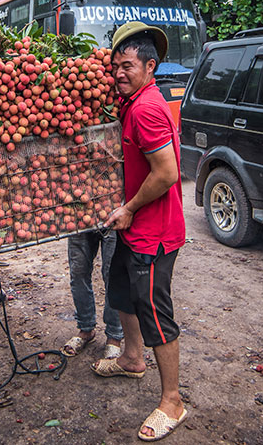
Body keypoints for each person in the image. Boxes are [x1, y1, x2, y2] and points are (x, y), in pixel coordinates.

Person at [95, 22, 187, 441]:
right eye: (115, 66)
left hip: (154, 231)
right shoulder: (133, 101)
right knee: (120, 293)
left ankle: (172, 402)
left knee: (155, 312)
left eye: (127, 66)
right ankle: (133, 358)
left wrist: (129, 208)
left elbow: (167, 173)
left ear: (150, 66)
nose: (118, 73)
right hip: (134, 227)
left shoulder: (148, 108)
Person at [61, 230, 124, 360]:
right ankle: (86, 329)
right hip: (79, 220)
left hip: (114, 218)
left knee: (113, 276)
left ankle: (114, 337)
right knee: (78, 273)